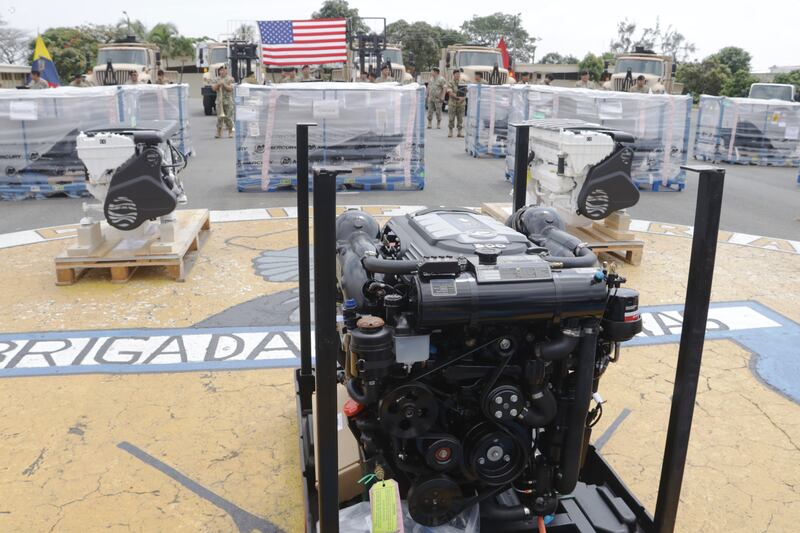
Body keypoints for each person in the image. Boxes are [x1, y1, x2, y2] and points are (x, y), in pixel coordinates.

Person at [212, 65, 235, 138]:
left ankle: (230, 132)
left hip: (228, 101)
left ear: (226, 71)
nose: (223, 71)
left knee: (229, 117)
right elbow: (213, 88)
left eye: (224, 70)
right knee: (219, 118)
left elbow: (230, 88)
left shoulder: (230, 79)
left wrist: (224, 84)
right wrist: (218, 84)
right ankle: (218, 132)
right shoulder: (216, 79)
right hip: (219, 101)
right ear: (219, 71)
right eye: (221, 70)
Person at [446, 69, 466, 138]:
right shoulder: (450, 83)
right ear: (453, 74)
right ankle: (450, 131)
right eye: (456, 74)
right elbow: (450, 93)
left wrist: (462, 98)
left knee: (460, 118)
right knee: (451, 118)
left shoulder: (463, 82)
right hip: (453, 104)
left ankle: (459, 132)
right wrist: (458, 98)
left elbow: (465, 93)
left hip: (461, 104)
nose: (458, 75)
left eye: (459, 74)